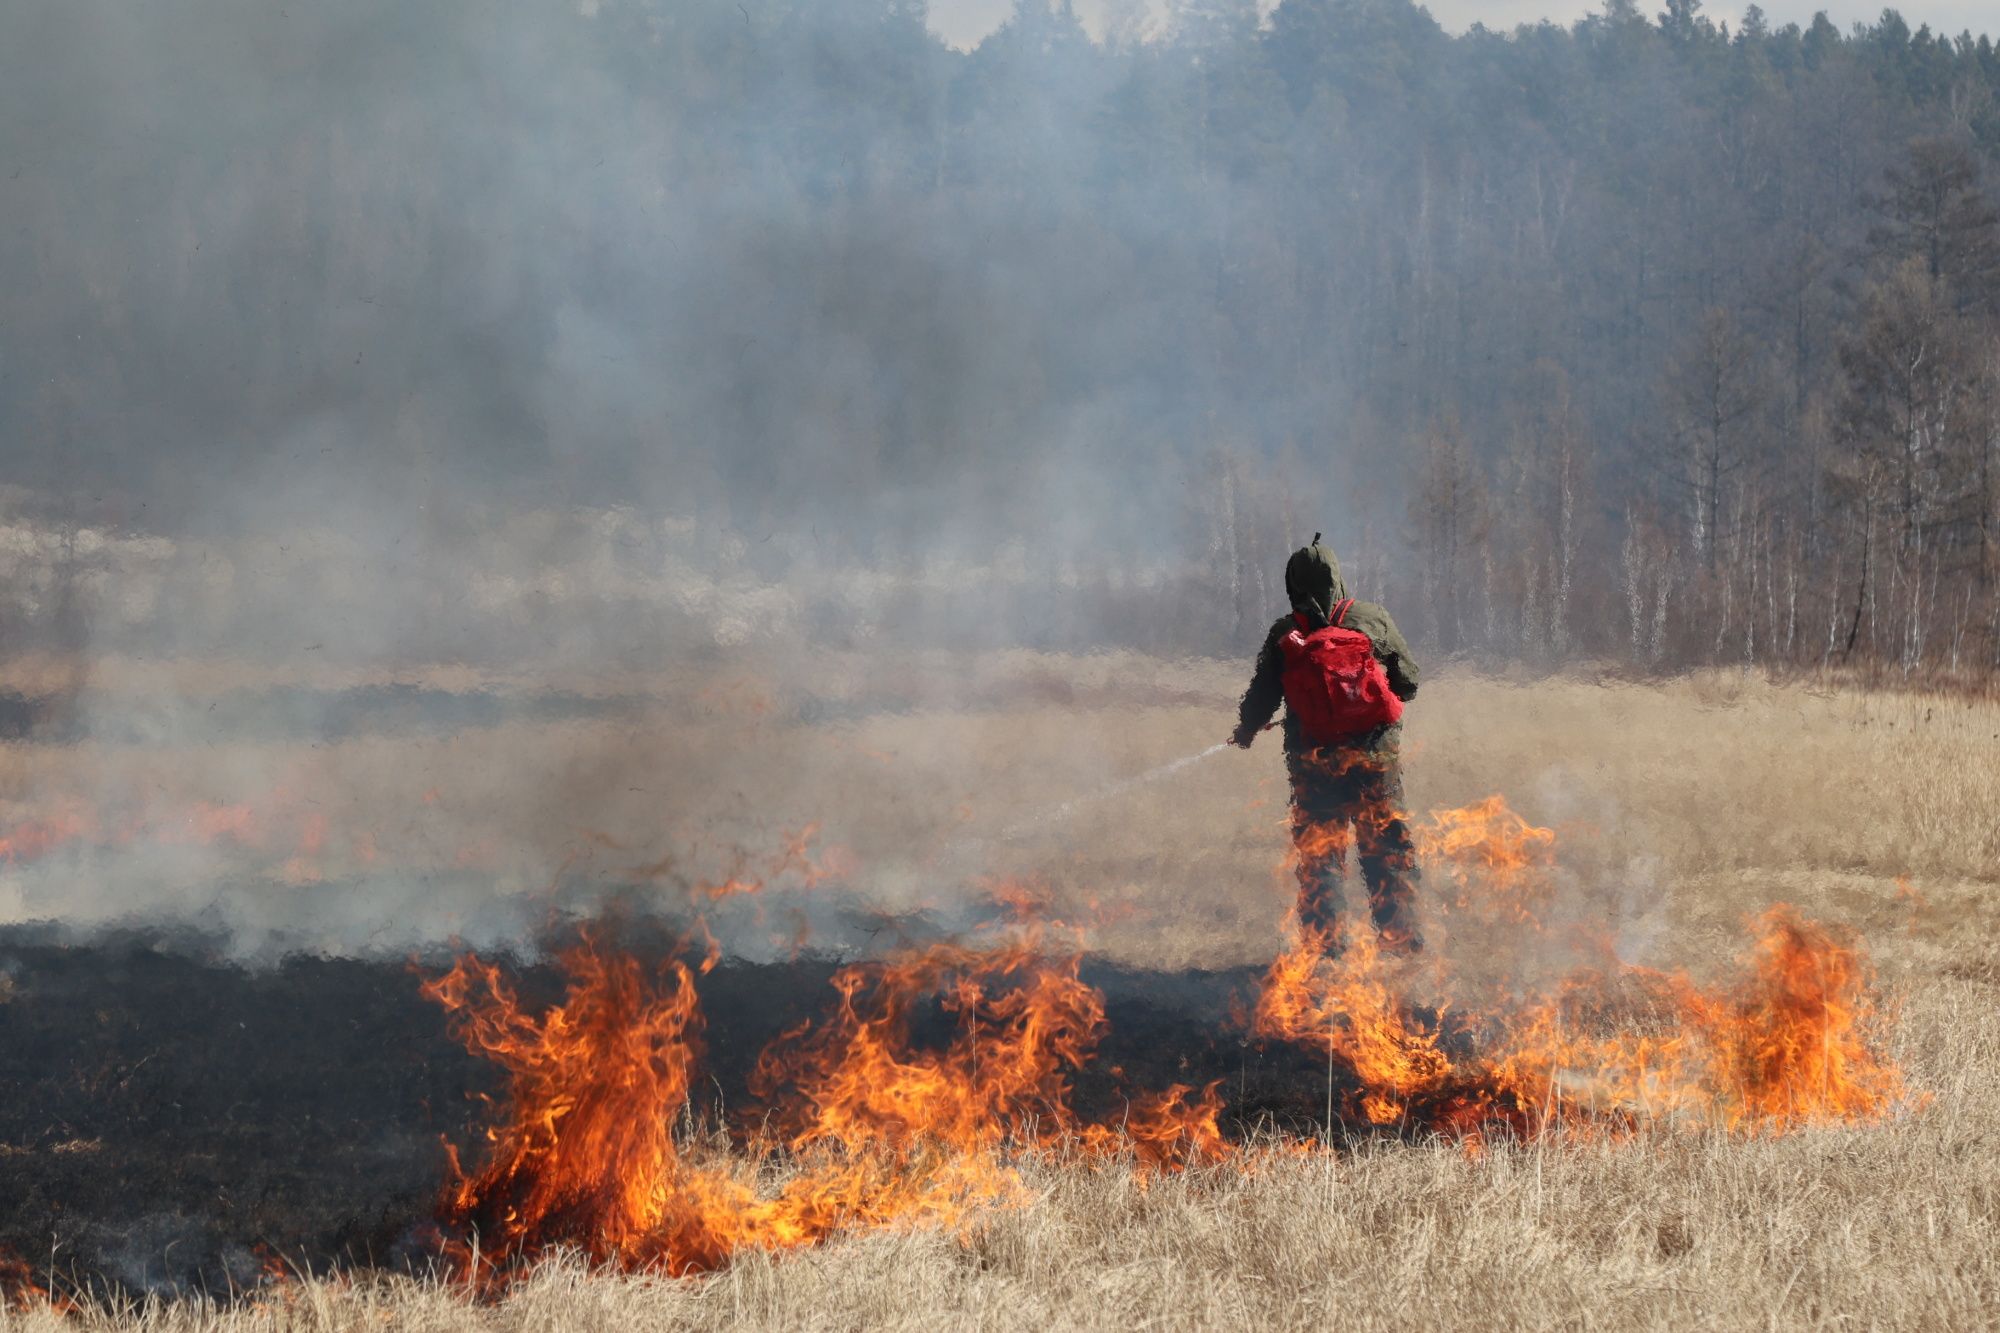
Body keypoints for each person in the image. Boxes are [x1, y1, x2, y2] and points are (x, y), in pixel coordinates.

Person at [1231, 535, 1423, 954]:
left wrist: (1245, 731)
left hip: (1313, 762)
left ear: (1293, 584)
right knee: (1387, 846)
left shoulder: (1286, 635)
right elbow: (1409, 683)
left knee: (1322, 856)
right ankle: (1402, 939)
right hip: (1376, 759)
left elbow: (1262, 697)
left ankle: (1326, 948)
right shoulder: (1374, 619)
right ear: (1337, 577)